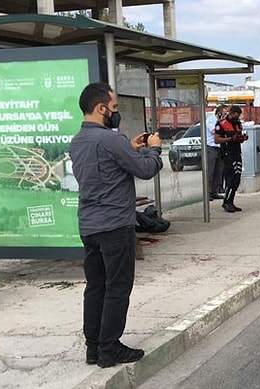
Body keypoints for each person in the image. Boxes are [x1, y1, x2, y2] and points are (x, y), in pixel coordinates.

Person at [69, 82, 163, 368]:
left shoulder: (78, 141)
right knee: (118, 287)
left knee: (95, 286)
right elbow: (145, 170)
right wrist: (153, 150)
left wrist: (131, 148)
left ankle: (93, 348)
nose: (116, 113)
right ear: (101, 108)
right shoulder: (111, 140)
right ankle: (110, 349)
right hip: (115, 226)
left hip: (89, 226)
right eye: (115, 108)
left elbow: (110, 166)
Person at [214, 106, 248, 212]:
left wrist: (242, 138)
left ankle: (231, 201)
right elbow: (216, 140)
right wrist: (231, 138)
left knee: (237, 178)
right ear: (231, 113)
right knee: (230, 178)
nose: (236, 118)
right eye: (235, 115)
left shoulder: (238, 124)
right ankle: (226, 202)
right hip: (227, 153)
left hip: (237, 152)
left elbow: (239, 138)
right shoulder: (222, 124)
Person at [206, 105, 226, 200]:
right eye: (224, 113)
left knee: (219, 171)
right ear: (219, 113)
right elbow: (215, 131)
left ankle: (215, 191)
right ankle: (208, 192)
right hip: (211, 147)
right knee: (210, 171)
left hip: (220, 148)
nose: (225, 115)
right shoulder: (211, 120)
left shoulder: (224, 122)